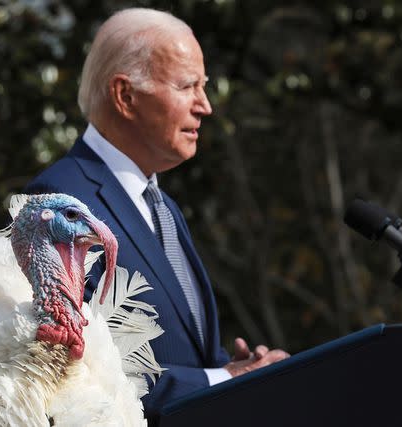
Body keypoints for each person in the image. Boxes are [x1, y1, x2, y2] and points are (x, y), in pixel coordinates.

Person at [25, 7, 289, 422]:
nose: (205, 106)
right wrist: (220, 378)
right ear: (125, 96)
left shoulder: (163, 206)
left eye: (203, 87)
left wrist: (235, 372)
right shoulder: (60, 201)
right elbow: (71, 365)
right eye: (188, 86)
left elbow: (184, 350)